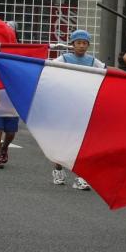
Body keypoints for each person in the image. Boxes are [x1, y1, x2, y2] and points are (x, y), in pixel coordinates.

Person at [51, 29, 104, 189]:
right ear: (72, 44)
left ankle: (81, 176)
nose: (81, 46)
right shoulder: (64, 59)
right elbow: (49, 70)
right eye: (78, 43)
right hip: (66, 104)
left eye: (84, 43)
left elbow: (107, 71)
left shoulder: (93, 61)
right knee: (64, 140)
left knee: (81, 142)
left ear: (88, 45)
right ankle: (58, 169)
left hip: (84, 106)